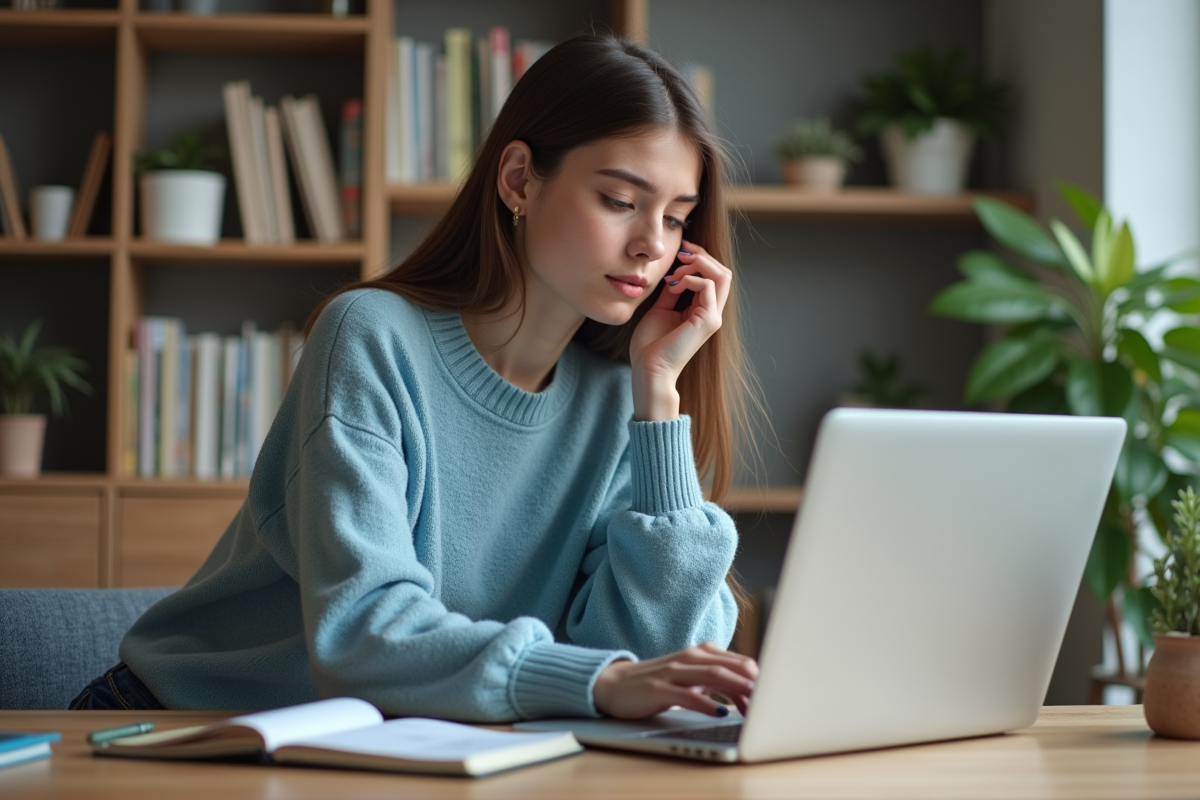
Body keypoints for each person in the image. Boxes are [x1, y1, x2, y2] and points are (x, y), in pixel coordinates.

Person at [70, 33, 761, 721]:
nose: (652, 244)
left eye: (675, 218)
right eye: (619, 200)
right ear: (519, 179)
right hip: (182, 725)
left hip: (394, 748)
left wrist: (660, 402)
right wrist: (598, 680)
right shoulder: (371, 336)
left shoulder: (622, 405)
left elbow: (654, 666)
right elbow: (363, 633)